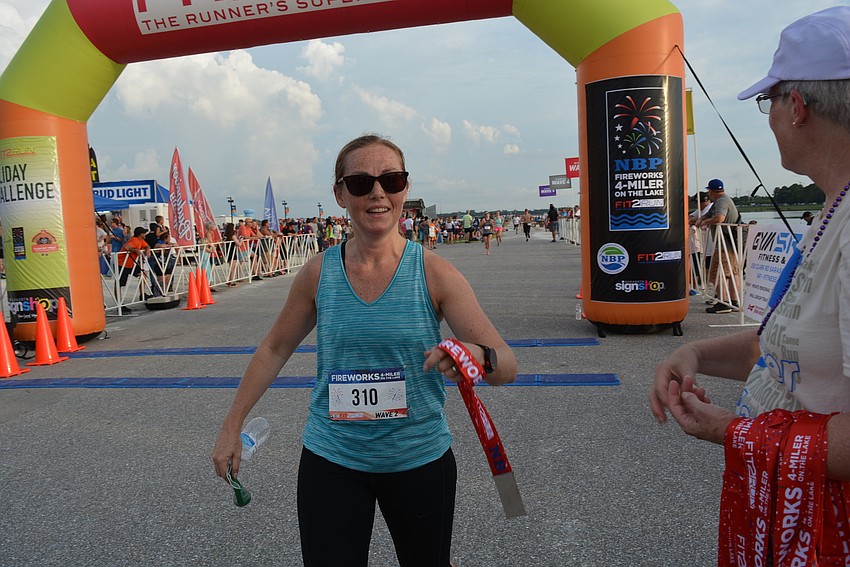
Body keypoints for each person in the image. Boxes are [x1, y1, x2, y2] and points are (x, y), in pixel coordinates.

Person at [211, 134, 517, 567]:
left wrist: (474, 354)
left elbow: (506, 364)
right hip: (333, 460)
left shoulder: (435, 273)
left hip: (418, 459)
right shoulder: (318, 273)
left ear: (405, 189)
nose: (377, 192)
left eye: (391, 179)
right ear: (339, 194)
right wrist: (231, 425)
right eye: (360, 183)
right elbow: (275, 348)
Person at [650, 7, 850, 564]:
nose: (769, 117)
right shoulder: (833, 212)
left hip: (827, 527)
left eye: (769, 102)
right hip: (790, 506)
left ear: (799, 107)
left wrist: (734, 431)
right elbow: (786, 346)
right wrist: (693, 351)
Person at [695, 179, 741, 313]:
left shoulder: (721, 202)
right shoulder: (723, 200)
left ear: (711, 191)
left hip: (724, 244)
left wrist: (705, 222)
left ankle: (723, 302)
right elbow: (708, 215)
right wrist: (700, 219)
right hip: (731, 243)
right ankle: (734, 301)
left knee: (717, 273)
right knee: (733, 273)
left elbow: (719, 218)